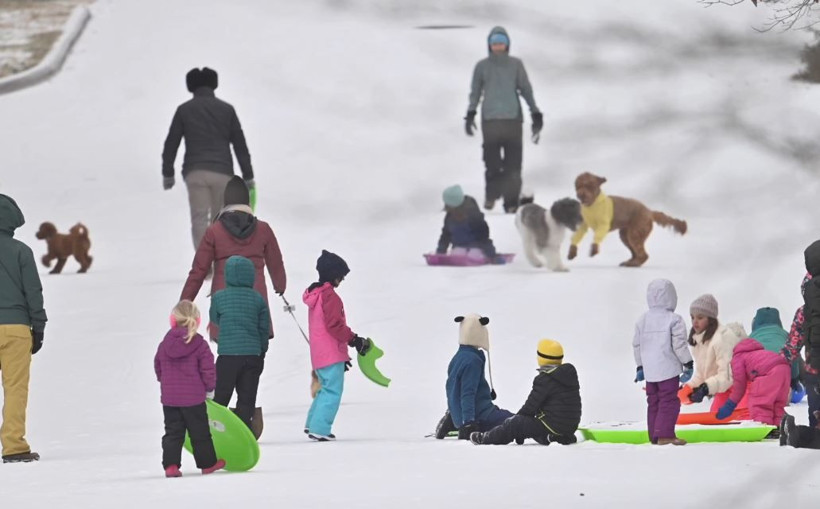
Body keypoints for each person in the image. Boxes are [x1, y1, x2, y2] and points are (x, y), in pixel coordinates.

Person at [181, 176, 286, 341]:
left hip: (224, 300)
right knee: (254, 354)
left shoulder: (214, 231)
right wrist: (280, 285)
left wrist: (185, 301)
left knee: (228, 354)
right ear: (247, 202)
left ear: (226, 202)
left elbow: (199, 270)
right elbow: (276, 262)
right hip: (255, 299)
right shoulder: (263, 229)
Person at [162, 67, 255, 250]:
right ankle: (219, 258)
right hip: (223, 172)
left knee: (199, 217)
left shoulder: (183, 110)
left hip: (194, 172)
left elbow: (171, 143)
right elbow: (240, 144)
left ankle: (204, 264)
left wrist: (168, 173)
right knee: (220, 218)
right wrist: (248, 175)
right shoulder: (227, 110)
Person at [465, 26, 542, 214]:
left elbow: (525, 89)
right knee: (492, 163)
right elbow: (475, 92)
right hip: (490, 121)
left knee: (513, 166)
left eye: (501, 43)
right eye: (494, 43)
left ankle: (511, 204)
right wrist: (471, 113)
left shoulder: (516, 65)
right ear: (489, 45)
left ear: (507, 45)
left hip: (513, 121)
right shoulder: (482, 66)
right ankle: (491, 196)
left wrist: (535, 112)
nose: (498, 46)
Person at [302, 250, 370, 441]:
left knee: (325, 388)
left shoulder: (315, 294)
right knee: (332, 391)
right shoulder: (330, 296)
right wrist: (354, 340)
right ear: (334, 276)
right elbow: (335, 326)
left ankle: (312, 424)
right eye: (342, 276)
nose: (343, 280)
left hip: (320, 353)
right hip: (330, 352)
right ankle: (320, 429)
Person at [0, 194, 46, 463]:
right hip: (16, 329)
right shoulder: (21, 251)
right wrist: (38, 327)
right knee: (15, 387)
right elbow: (33, 293)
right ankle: (14, 446)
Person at [154, 300, 224, 477]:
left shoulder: (165, 344)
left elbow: (158, 366)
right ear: (196, 321)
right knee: (200, 432)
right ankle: (207, 464)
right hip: (193, 399)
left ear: (173, 320)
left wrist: (166, 383)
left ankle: (171, 466)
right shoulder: (199, 344)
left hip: (170, 399)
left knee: (172, 433)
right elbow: (208, 370)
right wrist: (210, 388)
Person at [470, 339, 580, 446]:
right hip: (569, 426)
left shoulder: (545, 379)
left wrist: (515, 423)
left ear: (542, 358)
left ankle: (485, 438)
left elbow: (530, 407)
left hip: (553, 425)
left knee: (516, 423)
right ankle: (554, 437)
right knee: (533, 426)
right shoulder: (567, 375)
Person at [209, 256, 271, 432]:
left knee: (221, 395)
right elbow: (263, 328)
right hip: (252, 355)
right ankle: (242, 431)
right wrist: (262, 352)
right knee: (246, 397)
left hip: (227, 356)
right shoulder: (258, 299)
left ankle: (215, 429)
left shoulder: (219, 297)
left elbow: (215, 318)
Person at [632, 279, 692, 445]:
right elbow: (679, 345)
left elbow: (637, 345)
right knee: (669, 400)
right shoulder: (674, 319)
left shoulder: (642, 320)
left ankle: (654, 435)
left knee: (653, 402)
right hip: (668, 369)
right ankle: (665, 435)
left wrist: (640, 366)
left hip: (650, 370)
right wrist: (688, 363)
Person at [436, 314, 513, 440]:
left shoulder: (458, 357)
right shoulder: (472, 361)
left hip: (463, 412)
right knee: (515, 420)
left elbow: (452, 388)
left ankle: (453, 419)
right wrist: (468, 423)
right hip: (481, 415)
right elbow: (467, 393)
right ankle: (461, 421)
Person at [678, 294, 747, 417]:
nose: (695, 321)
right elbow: (703, 374)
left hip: (742, 386)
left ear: (710, 319)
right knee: (715, 417)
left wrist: (705, 388)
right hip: (723, 388)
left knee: (738, 418)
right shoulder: (701, 341)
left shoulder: (723, 338)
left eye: (700, 317)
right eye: (692, 317)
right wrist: (688, 388)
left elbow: (727, 376)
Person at [715, 338, 790, 427]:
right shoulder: (760, 354)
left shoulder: (738, 358)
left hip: (768, 373)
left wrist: (729, 406)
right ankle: (779, 427)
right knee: (778, 403)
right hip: (785, 369)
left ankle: (762, 426)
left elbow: (739, 386)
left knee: (760, 403)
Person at [781, 273, 820, 429]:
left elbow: (792, 348)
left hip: (815, 373)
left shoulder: (804, 313)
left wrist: (771, 364)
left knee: (817, 427)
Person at [435, 185, 501, 263]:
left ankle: (479, 257)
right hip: (459, 247)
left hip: (477, 247)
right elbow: (446, 235)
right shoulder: (449, 217)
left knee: (473, 255)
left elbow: (483, 237)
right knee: (457, 255)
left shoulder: (473, 216)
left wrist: (492, 255)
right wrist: (440, 251)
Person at [749, 307, 803, 401]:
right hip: (781, 372)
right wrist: (794, 379)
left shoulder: (750, 338)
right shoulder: (786, 335)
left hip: (757, 377)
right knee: (799, 393)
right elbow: (793, 355)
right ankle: (784, 392)